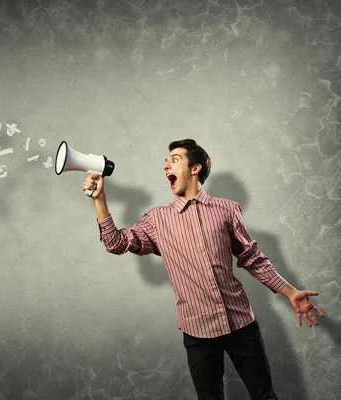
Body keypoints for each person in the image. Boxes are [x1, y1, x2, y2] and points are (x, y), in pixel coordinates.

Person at [83, 138, 325, 400]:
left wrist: (290, 292)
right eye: (166, 161)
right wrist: (100, 199)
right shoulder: (157, 220)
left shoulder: (227, 210)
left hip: (241, 324)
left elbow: (253, 258)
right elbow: (115, 243)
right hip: (197, 332)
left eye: (174, 159)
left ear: (195, 168)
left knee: (265, 396)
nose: (166, 165)